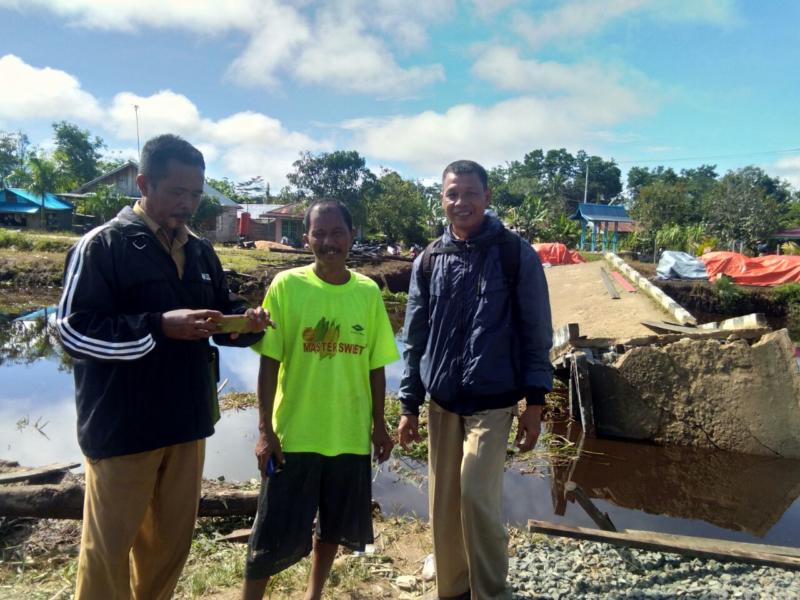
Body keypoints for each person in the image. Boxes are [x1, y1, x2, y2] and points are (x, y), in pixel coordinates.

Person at [57, 134, 271, 600]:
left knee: (169, 547)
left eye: (195, 193)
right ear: (144, 183)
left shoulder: (199, 251)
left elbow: (218, 309)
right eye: (177, 191)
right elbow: (72, 331)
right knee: (108, 551)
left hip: (186, 422)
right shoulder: (103, 246)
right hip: (123, 427)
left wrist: (245, 323)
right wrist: (157, 326)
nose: (188, 203)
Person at [398, 160, 553, 600]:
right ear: (442, 199)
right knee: (443, 505)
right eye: (452, 193)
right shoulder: (429, 260)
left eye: (469, 193)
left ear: (487, 197)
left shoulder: (514, 254)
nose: (460, 202)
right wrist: (408, 405)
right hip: (442, 401)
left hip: (494, 402)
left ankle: (490, 592)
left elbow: (535, 331)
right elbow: (414, 338)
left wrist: (535, 403)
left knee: (475, 497)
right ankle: (453, 590)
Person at [242, 199, 399, 600]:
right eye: (319, 233)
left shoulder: (366, 292)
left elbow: (376, 366)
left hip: (347, 435)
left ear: (352, 235)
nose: (328, 242)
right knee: (270, 532)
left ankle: (313, 595)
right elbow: (269, 363)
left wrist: (379, 426)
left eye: (337, 233)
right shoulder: (287, 286)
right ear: (306, 237)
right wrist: (266, 431)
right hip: (295, 435)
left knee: (332, 528)